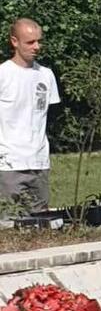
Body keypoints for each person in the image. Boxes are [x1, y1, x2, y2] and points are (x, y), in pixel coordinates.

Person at [0, 18, 60, 213]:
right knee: (8, 224)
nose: (37, 47)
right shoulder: (4, 74)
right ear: (14, 42)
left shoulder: (46, 75)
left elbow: (46, 116)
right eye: (30, 42)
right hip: (8, 164)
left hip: (38, 161)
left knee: (40, 225)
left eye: (39, 41)